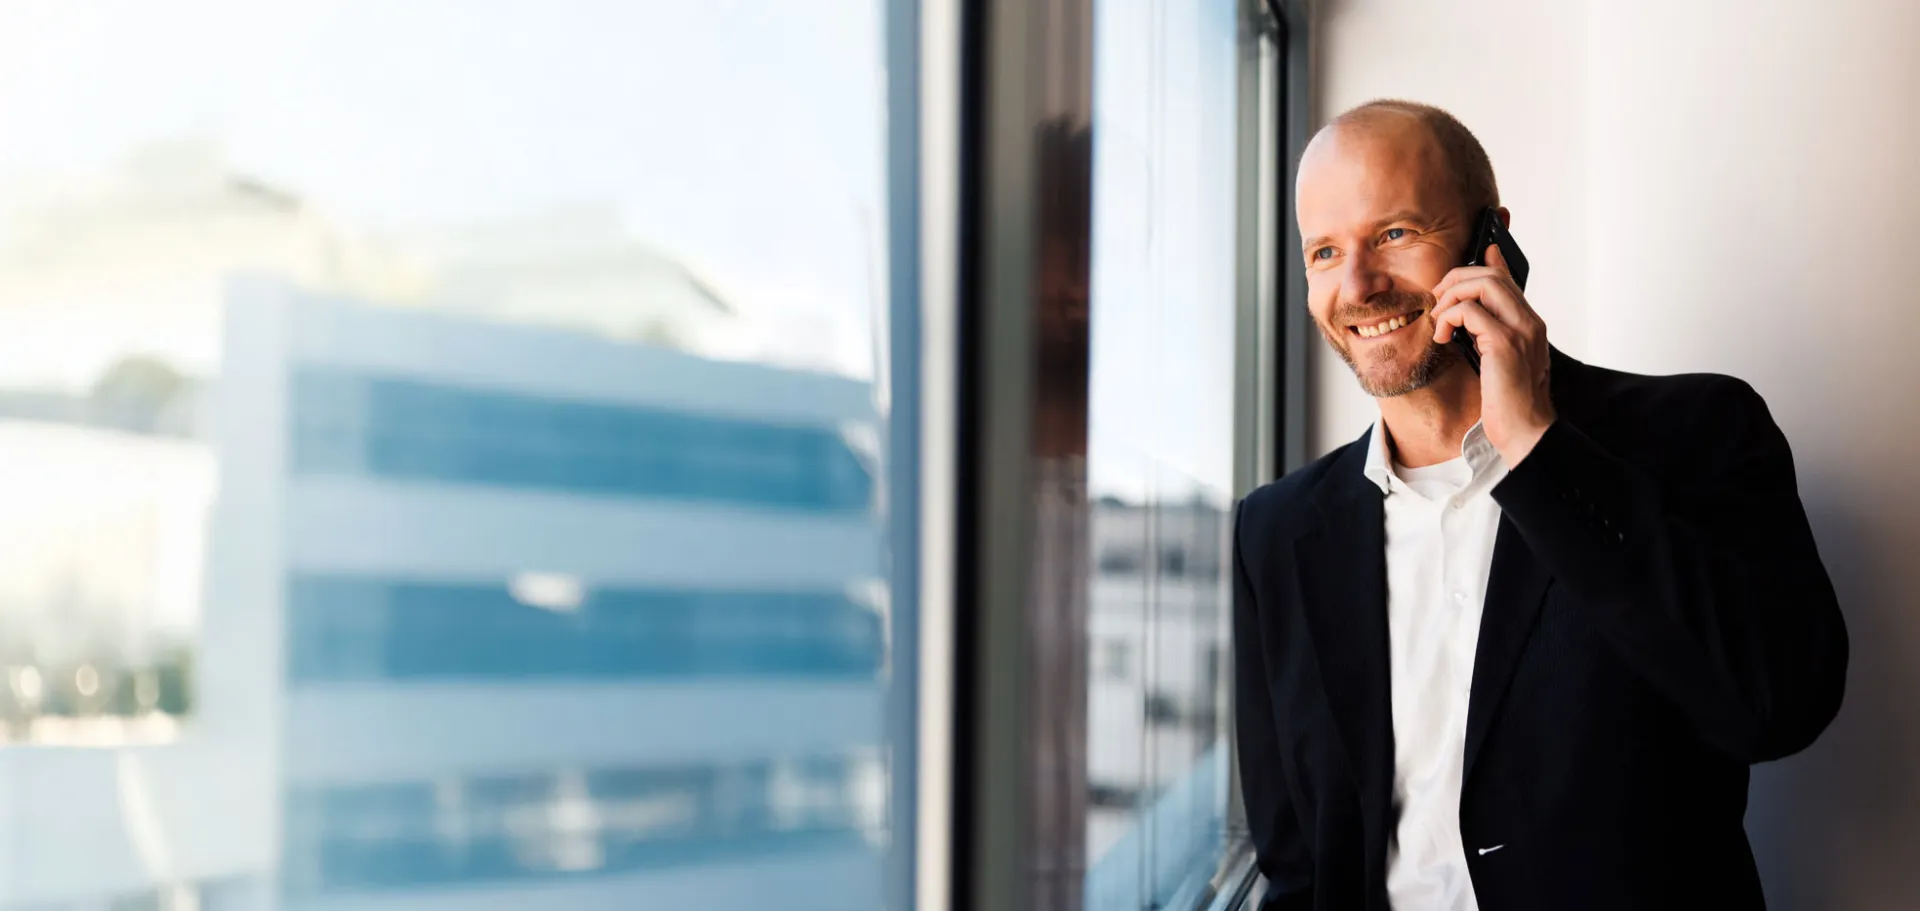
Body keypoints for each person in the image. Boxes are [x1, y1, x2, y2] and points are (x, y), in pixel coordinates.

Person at [1231, 99, 1848, 911]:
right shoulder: (1275, 531)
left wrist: (1537, 448)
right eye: (1325, 251)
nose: (1358, 284)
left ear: (1491, 239)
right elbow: (1297, 867)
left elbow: (1778, 708)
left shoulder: (1698, 433)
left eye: (1394, 234)